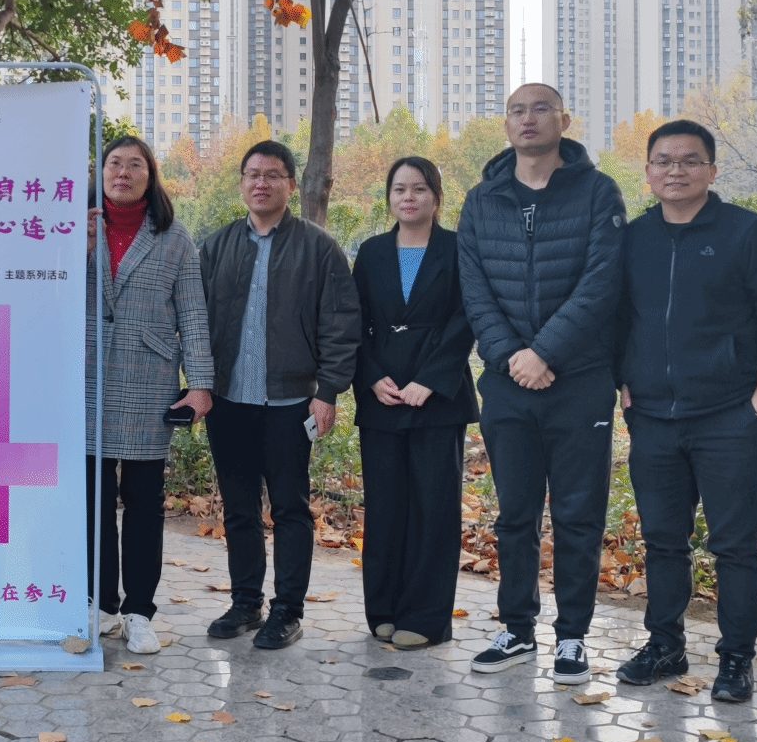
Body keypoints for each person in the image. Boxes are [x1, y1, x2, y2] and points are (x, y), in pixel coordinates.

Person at [614, 120, 757, 703]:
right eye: (664, 160)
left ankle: (737, 657)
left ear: (712, 171)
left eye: (690, 160)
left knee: (735, 545)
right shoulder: (633, 238)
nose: (676, 170)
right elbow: (614, 317)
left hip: (728, 414)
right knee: (662, 540)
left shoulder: (747, 232)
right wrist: (623, 381)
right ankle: (665, 645)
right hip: (653, 417)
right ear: (648, 172)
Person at [457, 82, 626, 681]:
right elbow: (474, 289)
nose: (528, 119)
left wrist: (545, 352)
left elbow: (602, 282)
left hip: (580, 380)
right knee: (514, 515)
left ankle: (572, 637)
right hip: (507, 384)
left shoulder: (598, 191)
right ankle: (516, 630)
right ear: (506, 124)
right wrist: (512, 357)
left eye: (540, 109)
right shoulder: (481, 200)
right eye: (517, 110)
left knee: (579, 515)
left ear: (564, 120)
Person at [198, 140, 361, 650]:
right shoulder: (218, 246)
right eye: (253, 174)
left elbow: (341, 325)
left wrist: (328, 391)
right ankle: (246, 602)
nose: (261, 183)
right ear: (242, 183)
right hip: (229, 400)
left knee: (290, 508)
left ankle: (287, 609)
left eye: (272, 175)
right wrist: (199, 382)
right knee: (239, 508)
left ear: (291, 184)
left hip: (290, 403)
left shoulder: (319, 248)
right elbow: (196, 320)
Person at [84, 134, 215, 654]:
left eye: (134, 165)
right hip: (85, 376)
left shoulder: (174, 236)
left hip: (147, 378)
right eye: (114, 163)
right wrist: (76, 250)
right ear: (100, 173)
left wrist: (200, 385)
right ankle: (100, 605)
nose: (123, 172)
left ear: (150, 175)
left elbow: (194, 313)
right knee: (91, 501)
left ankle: (139, 610)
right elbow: (42, 291)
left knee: (143, 502)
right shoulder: (74, 228)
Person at [350, 156, 477, 650]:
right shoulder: (372, 252)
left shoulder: (459, 249)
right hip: (382, 395)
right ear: (389, 197)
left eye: (419, 189)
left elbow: (466, 318)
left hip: (437, 399)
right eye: (400, 189)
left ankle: (425, 618)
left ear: (436, 197)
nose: (409, 197)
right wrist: (371, 377)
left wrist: (431, 379)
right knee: (385, 507)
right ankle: (382, 609)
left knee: (433, 508)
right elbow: (354, 322)